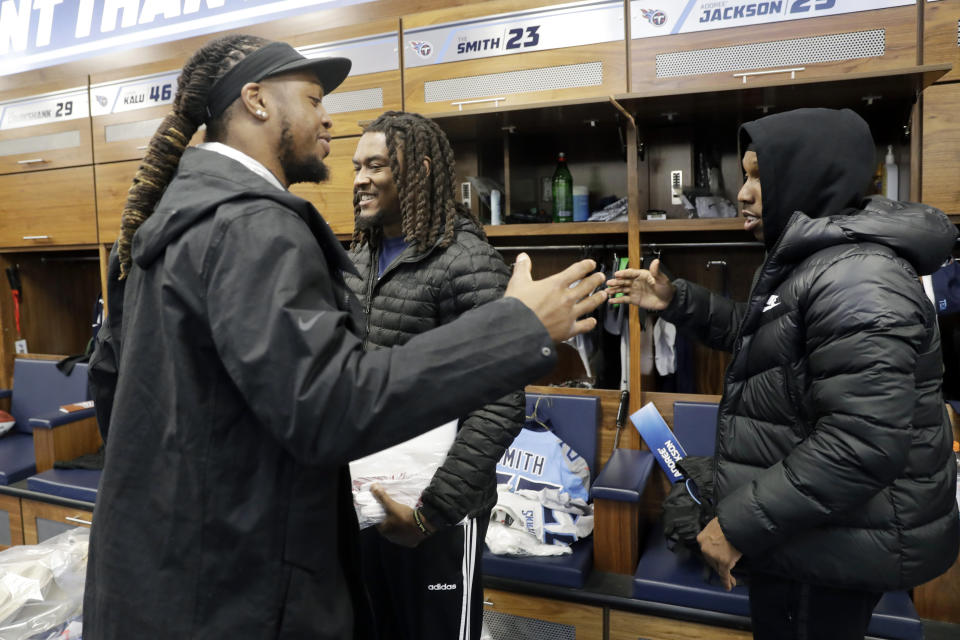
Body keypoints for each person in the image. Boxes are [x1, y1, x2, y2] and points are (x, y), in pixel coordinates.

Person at [82, 35, 607, 639]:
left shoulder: (166, 222)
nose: (326, 116)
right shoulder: (254, 226)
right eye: (311, 98)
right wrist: (518, 327)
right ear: (255, 101)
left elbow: (115, 391)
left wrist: (433, 510)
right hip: (233, 587)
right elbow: (327, 402)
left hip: (174, 573)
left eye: (374, 164)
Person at [607, 107, 959, 639]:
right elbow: (766, 341)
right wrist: (675, 299)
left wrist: (735, 524)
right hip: (806, 529)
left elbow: (860, 443)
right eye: (744, 176)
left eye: (758, 175)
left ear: (809, 175)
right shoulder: (822, 262)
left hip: (828, 545)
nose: (743, 193)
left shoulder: (859, 279)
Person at [343, 111, 521, 640]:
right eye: (356, 167)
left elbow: (500, 402)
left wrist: (432, 513)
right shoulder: (357, 258)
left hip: (436, 516)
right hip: (365, 504)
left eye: (376, 165)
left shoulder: (469, 262)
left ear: (417, 171)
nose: (360, 179)